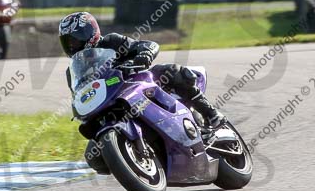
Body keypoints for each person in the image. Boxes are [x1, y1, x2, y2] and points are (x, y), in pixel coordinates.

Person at [58, 11, 224, 128]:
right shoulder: (72, 70)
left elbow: (146, 45)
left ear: (90, 32)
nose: (72, 45)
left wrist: (144, 55)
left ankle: (210, 114)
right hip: (111, 100)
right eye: (68, 42)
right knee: (93, 153)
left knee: (169, 71)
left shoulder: (111, 42)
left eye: (76, 39)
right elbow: (78, 94)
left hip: (139, 83)